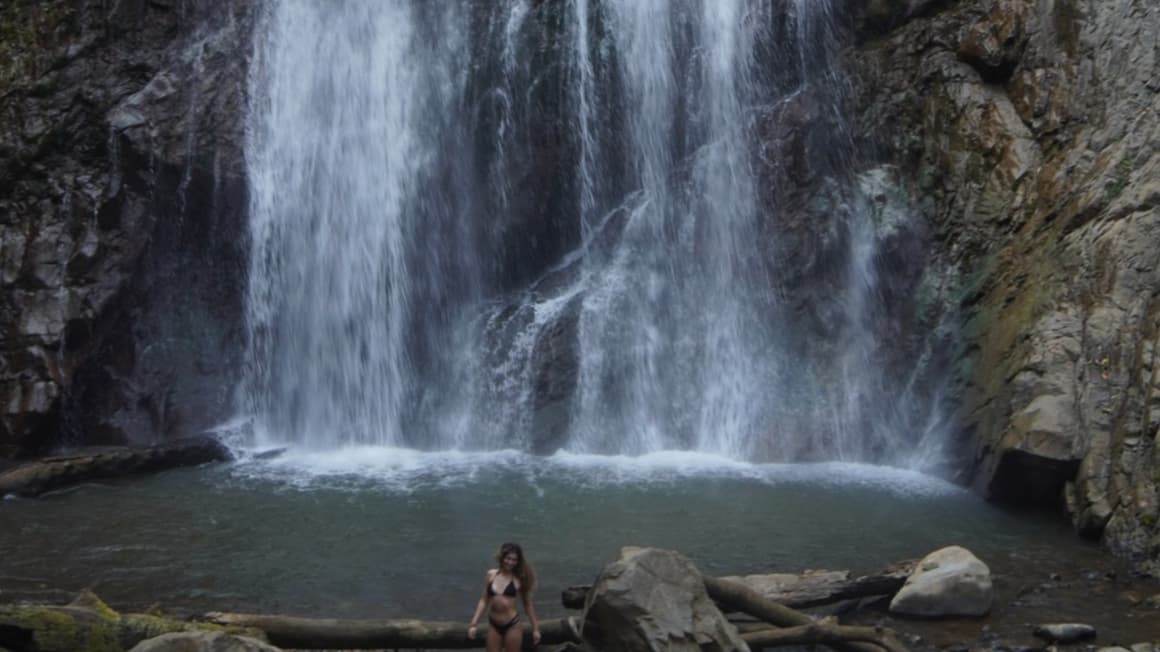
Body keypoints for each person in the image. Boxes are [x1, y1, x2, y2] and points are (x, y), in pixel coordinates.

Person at [467, 542, 541, 650]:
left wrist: (535, 629)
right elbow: (484, 600)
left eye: (514, 560)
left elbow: (527, 604)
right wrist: (473, 623)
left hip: (512, 625)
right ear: (502, 557)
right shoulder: (491, 575)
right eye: (508, 558)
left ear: (518, 561)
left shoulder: (519, 579)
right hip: (493, 624)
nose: (510, 562)